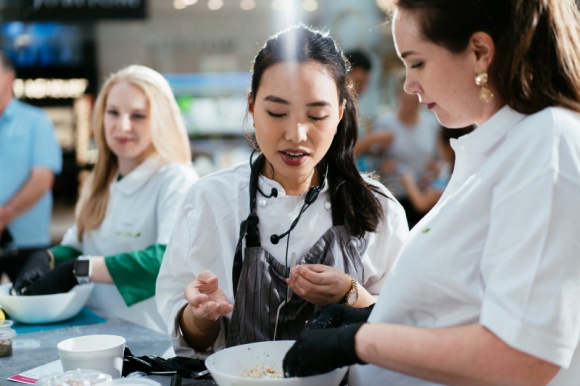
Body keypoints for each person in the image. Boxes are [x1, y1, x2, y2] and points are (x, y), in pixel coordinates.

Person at [283, 1, 580, 385]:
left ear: (479, 53)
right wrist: (370, 313)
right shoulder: (495, 149)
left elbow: (523, 359)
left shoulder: (547, 143)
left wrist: (358, 340)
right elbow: (458, 309)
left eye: (417, 62)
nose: (408, 84)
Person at [156, 25, 409, 358]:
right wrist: (200, 317)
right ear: (251, 105)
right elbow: (190, 340)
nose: (296, 134)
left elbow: (401, 332)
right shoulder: (208, 200)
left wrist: (351, 295)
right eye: (277, 112)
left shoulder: (379, 209)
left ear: (340, 113)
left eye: (317, 115)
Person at [13, 64, 199, 333]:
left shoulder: (176, 179)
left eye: (138, 116)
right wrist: (47, 258)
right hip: (95, 330)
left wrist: (81, 268)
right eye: (113, 113)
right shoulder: (100, 181)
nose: (123, 126)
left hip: (150, 342)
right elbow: (78, 246)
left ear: (161, 120)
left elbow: (167, 259)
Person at [0, 51, 62, 281]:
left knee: (30, 305)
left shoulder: (36, 121)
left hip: (27, 240)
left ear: (9, 78)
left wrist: (3, 216)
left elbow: (42, 179)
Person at [355, 71, 440, 227]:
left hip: (423, 198)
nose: (410, 101)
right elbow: (370, 162)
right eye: (405, 95)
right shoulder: (385, 124)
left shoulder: (432, 125)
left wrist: (433, 171)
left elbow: (440, 161)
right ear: (397, 95)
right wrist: (381, 166)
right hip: (393, 199)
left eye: (414, 97)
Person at [399, 124, 474, 214]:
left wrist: (408, 182)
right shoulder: (467, 167)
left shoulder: (448, 177)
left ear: (448, 145)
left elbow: (422, 204)